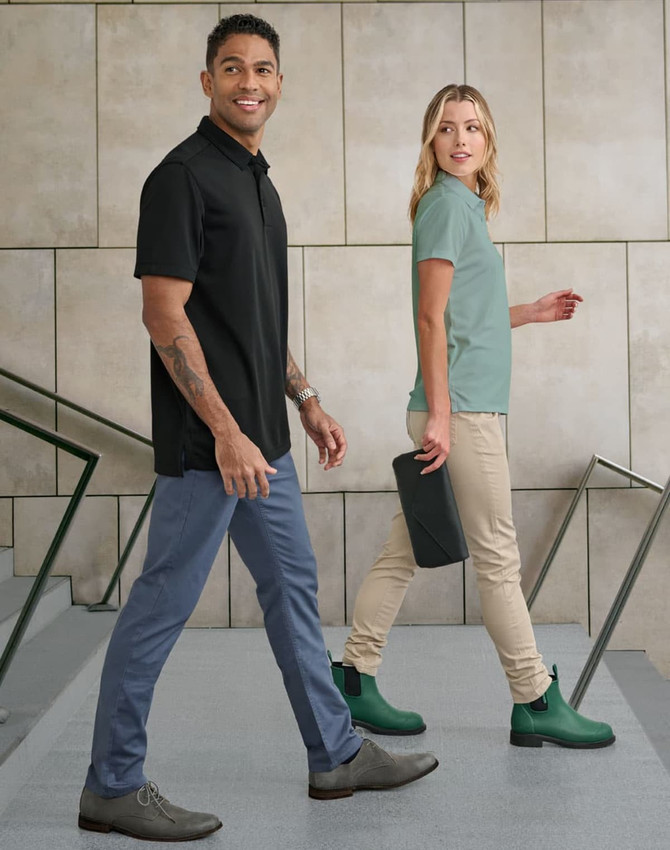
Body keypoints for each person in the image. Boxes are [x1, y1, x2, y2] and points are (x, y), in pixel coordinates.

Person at [78, 14, 437, 842]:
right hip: (213, 451)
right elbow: (163, 313)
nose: (250, 81)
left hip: (262, 447)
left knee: (292, 596)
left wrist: (303, 400)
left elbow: (253, 322)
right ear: (206, 81)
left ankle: (335, 753)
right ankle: (111, 784)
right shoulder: (181, 177)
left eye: (264, 69)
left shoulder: (257, 180)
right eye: (232, 67)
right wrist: (229, 432)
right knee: (160, 608)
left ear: (280, 82)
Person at [331, 84, 615, 750]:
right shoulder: (444, 205)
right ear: (431, 141)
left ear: (488, 143)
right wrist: (442, 414)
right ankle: (535, 698)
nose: (462, 139)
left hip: (450, 410)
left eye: (474, 128)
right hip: (458, 414)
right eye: (448, 128)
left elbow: (463, 314)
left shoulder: (461, 208)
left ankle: (355, 678)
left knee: (403, 552)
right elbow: (430, 317)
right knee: (498, 558)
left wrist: (530, 312)